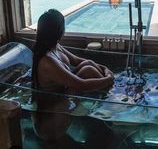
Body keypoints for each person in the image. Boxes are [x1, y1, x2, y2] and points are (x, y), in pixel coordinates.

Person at [31, 9, 114, 144]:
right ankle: (111, 107)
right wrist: (108, 79)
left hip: (62, 99)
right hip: (51, 120)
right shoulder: (47, 61)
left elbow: (78, 60)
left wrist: (105, 69)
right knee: (87, 70)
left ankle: (110, 101)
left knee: (87, 65)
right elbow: (80, 84)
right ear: (58, 30)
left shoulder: (54, 46)